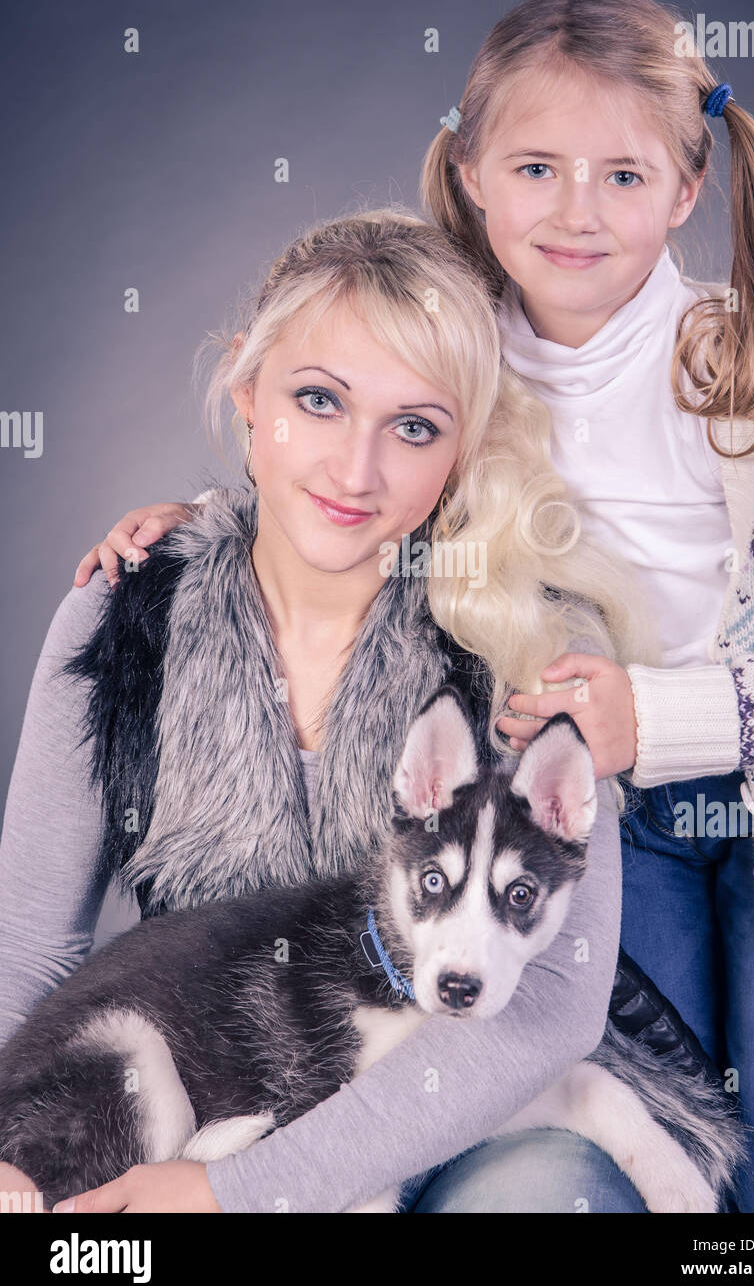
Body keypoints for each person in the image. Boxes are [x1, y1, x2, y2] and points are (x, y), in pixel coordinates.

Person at [81, 0, 754, 1212]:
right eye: (536, 165)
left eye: (621, 174)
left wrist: (658, 720)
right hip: (586, 811)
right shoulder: (461, 353)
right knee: (662, 1124)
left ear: (687, 186)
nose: (572, 210)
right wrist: (204, 522)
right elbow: (340, 453)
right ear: (469, 171)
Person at [0, 207, 676, 1215]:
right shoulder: (122, 612)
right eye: (317, 401)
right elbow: (30, 949)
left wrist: (241, 1192)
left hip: (477, 1114)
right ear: (246, 393)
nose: (355, 472)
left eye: (413, 426)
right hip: (222, 1096)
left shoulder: (534, 645)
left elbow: (548, 1016)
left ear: (462, 448)